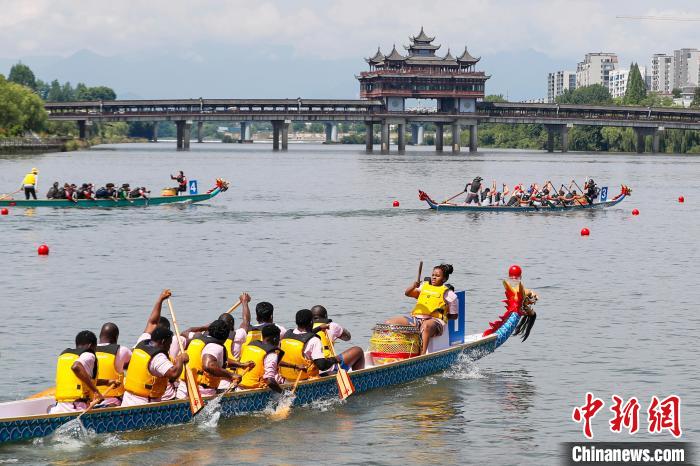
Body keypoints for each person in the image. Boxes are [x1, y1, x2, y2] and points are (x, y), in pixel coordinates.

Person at [385, 264, 459, 355]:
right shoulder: (423, 286)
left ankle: (422, 355)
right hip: (417, 319)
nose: (434, 278)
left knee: (426, 326)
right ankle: (394, 352)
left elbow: (454, 316)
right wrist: (413, 286)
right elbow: (407, 293)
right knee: (390, 323)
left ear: (444, 279)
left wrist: (443, 314)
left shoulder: (449, 294)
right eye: (433, 275)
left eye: (438, 276)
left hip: (435, 322)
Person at [279, 309, 363, 382]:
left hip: (288, 377)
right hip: (308, 379)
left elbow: (304, 336)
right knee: (358, 350)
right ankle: (359, 381)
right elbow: (322, 366)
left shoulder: (287, 335)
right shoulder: (314, 340)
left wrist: (319, 328)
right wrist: (335, 359)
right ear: (311, 322)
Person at [176, 319, 250, 399]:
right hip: (201, 394)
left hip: (183, 389)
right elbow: (209, 366)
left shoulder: (196, 337)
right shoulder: (215, 346)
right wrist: (231, 375)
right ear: (226, 336)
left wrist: (241, 365)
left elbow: (217, 360)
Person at [121, 326, 189, 407]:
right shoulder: (158, 357)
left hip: (127, 400)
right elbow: (174, 374)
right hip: (144, 406)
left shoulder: (141, 345)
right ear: (163, 341)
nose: (169, 347)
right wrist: (180, 359)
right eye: (169, 343)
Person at [49, 330, 103, 414]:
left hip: (60, 406)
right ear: (91, 345)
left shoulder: (64, 355)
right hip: (76, 407)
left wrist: (107, 382)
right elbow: (76, 367)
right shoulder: (89, 355)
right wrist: (96, 392)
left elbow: (84, 379)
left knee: (49, 407)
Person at [310, 305, 364, 376]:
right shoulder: (331, 325)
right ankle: (358, 379)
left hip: (311, 370)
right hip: (328, 368)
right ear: (325, 316)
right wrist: (338, 331)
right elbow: (347, 337)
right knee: (358, 350)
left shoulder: (306, 329)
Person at [238, 324, 287, 392]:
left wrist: (295, 366)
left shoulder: (250, 345)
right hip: (255, 391)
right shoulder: (271, 354)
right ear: (275, 339)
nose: (279, 341)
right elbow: (269, 381)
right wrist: (284, 393)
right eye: (279, 339)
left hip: (239, 386)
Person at [95, 322, 132, 407]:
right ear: (116, 337)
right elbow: (133, 366)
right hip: (114, 400)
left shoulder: (88, 351)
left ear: (100, 336)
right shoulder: (122, 350)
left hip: (91, 399)